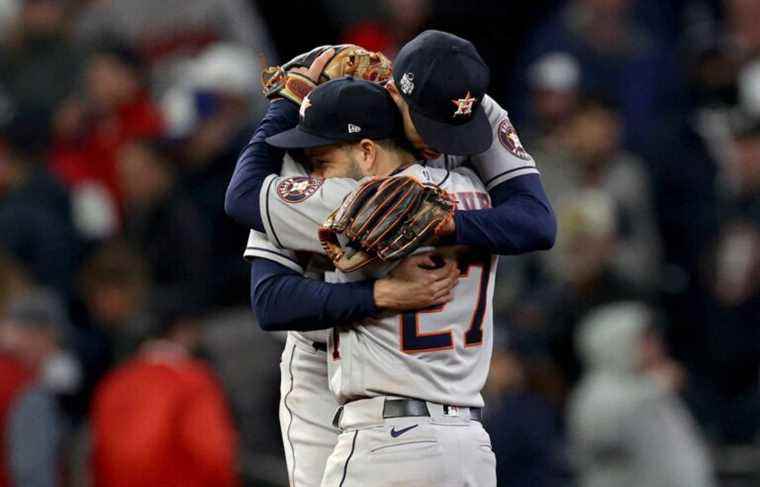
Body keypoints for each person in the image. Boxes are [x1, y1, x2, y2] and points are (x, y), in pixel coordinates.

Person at [225, 31, 555, 486]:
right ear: (398, 93)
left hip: (382, 417)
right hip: (446, 422)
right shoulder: (475, 190)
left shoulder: (347, 194)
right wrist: (383, 288)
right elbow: (272, 300)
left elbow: (243, 196)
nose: (446, 138)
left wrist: (281, 103)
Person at [568, 302, 715, 487]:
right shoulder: (599, 392)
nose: (657, 347)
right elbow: (604, 435)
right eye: (644, 340)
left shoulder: (649, 386)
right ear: (615, 343)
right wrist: (653, 389)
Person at [90, 306, 240, 487]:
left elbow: (98, 457)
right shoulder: (194, 381)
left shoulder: (113, 384)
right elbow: (214, 454)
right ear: (182, 331)